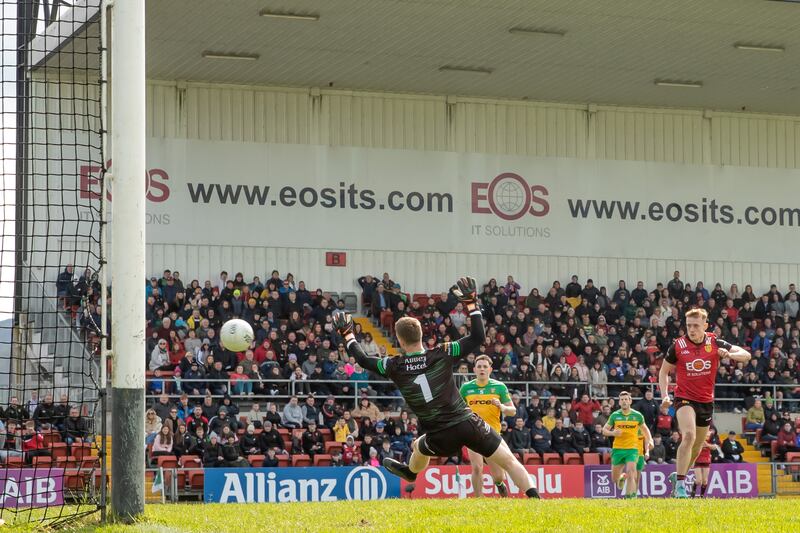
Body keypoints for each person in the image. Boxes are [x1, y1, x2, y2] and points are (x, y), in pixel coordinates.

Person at [334, 276, 539, 498]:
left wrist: (348, 335)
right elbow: (478, 336)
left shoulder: (395, 365)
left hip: (438, 434)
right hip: (467, 423)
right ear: (422, 336)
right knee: (509, 461)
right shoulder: (442, 352)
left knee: (420, 447)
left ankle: (410, 472)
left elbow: (364, 360)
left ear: (401, 342)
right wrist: (471, 303)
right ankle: (535, 500)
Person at [659, 308, 751, 498]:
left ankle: (679, 476)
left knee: (697, 447)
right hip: (684, 398)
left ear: (705, 326)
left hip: (706, 401)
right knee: (689, 435)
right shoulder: (678, 345)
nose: (691, 329)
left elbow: (746, 355)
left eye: (695, 326)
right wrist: (664, 395)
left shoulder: (714, 342)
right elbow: (663, 372)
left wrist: (730, 355)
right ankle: (681, 486)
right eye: (688, 326)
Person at [458, 354, 516, 497]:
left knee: (498, 475)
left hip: (492, 434)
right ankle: (479, 500)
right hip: (473, 433)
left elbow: (513, 411)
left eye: (485, 366)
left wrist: (502, 407)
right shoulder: (466, 388)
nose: (482, 369)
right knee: (477, 468)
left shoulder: (499, 387)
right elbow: (458, 409)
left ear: (490, 369)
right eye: (479, 367)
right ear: (474, 369)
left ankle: (499, 484)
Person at [602, 391, 650, 498]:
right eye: (622, 399)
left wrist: (650, 440)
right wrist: (612, 433)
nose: (624, 401)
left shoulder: (637, 416)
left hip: (632, 449)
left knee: (632, 473)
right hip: (618, 449)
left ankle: (630, 498)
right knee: (614, 479)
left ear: (630, 401)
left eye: (626, 399)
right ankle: (621, 477)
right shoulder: (615, 415)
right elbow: (604, 430)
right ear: (619, 402)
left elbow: (645, 430)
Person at [691, 431, 714, 497]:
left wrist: (707, 445)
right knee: (699, 481)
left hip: (706, 460)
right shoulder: (698, 436)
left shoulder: (711, 435)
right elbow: (693, 449)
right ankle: (694, 488)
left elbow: (714, 447)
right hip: (698, 460)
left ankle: (702, 495)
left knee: (705, 481)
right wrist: (692, 461)